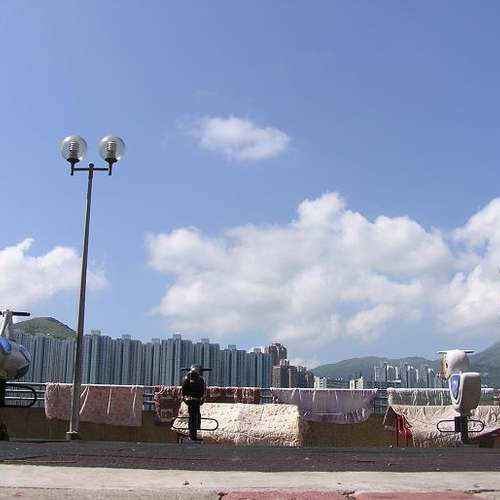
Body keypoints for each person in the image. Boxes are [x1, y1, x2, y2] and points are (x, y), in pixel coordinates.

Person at [181, 364, 206, 441]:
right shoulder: (187, 380)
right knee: (193, 414)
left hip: (195, 399)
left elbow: (203, 392)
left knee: (194, 414)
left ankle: (195, 431)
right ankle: (194, 431)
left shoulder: (200, 381)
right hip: (191, 399)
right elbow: (184, 392)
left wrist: (201, 399)